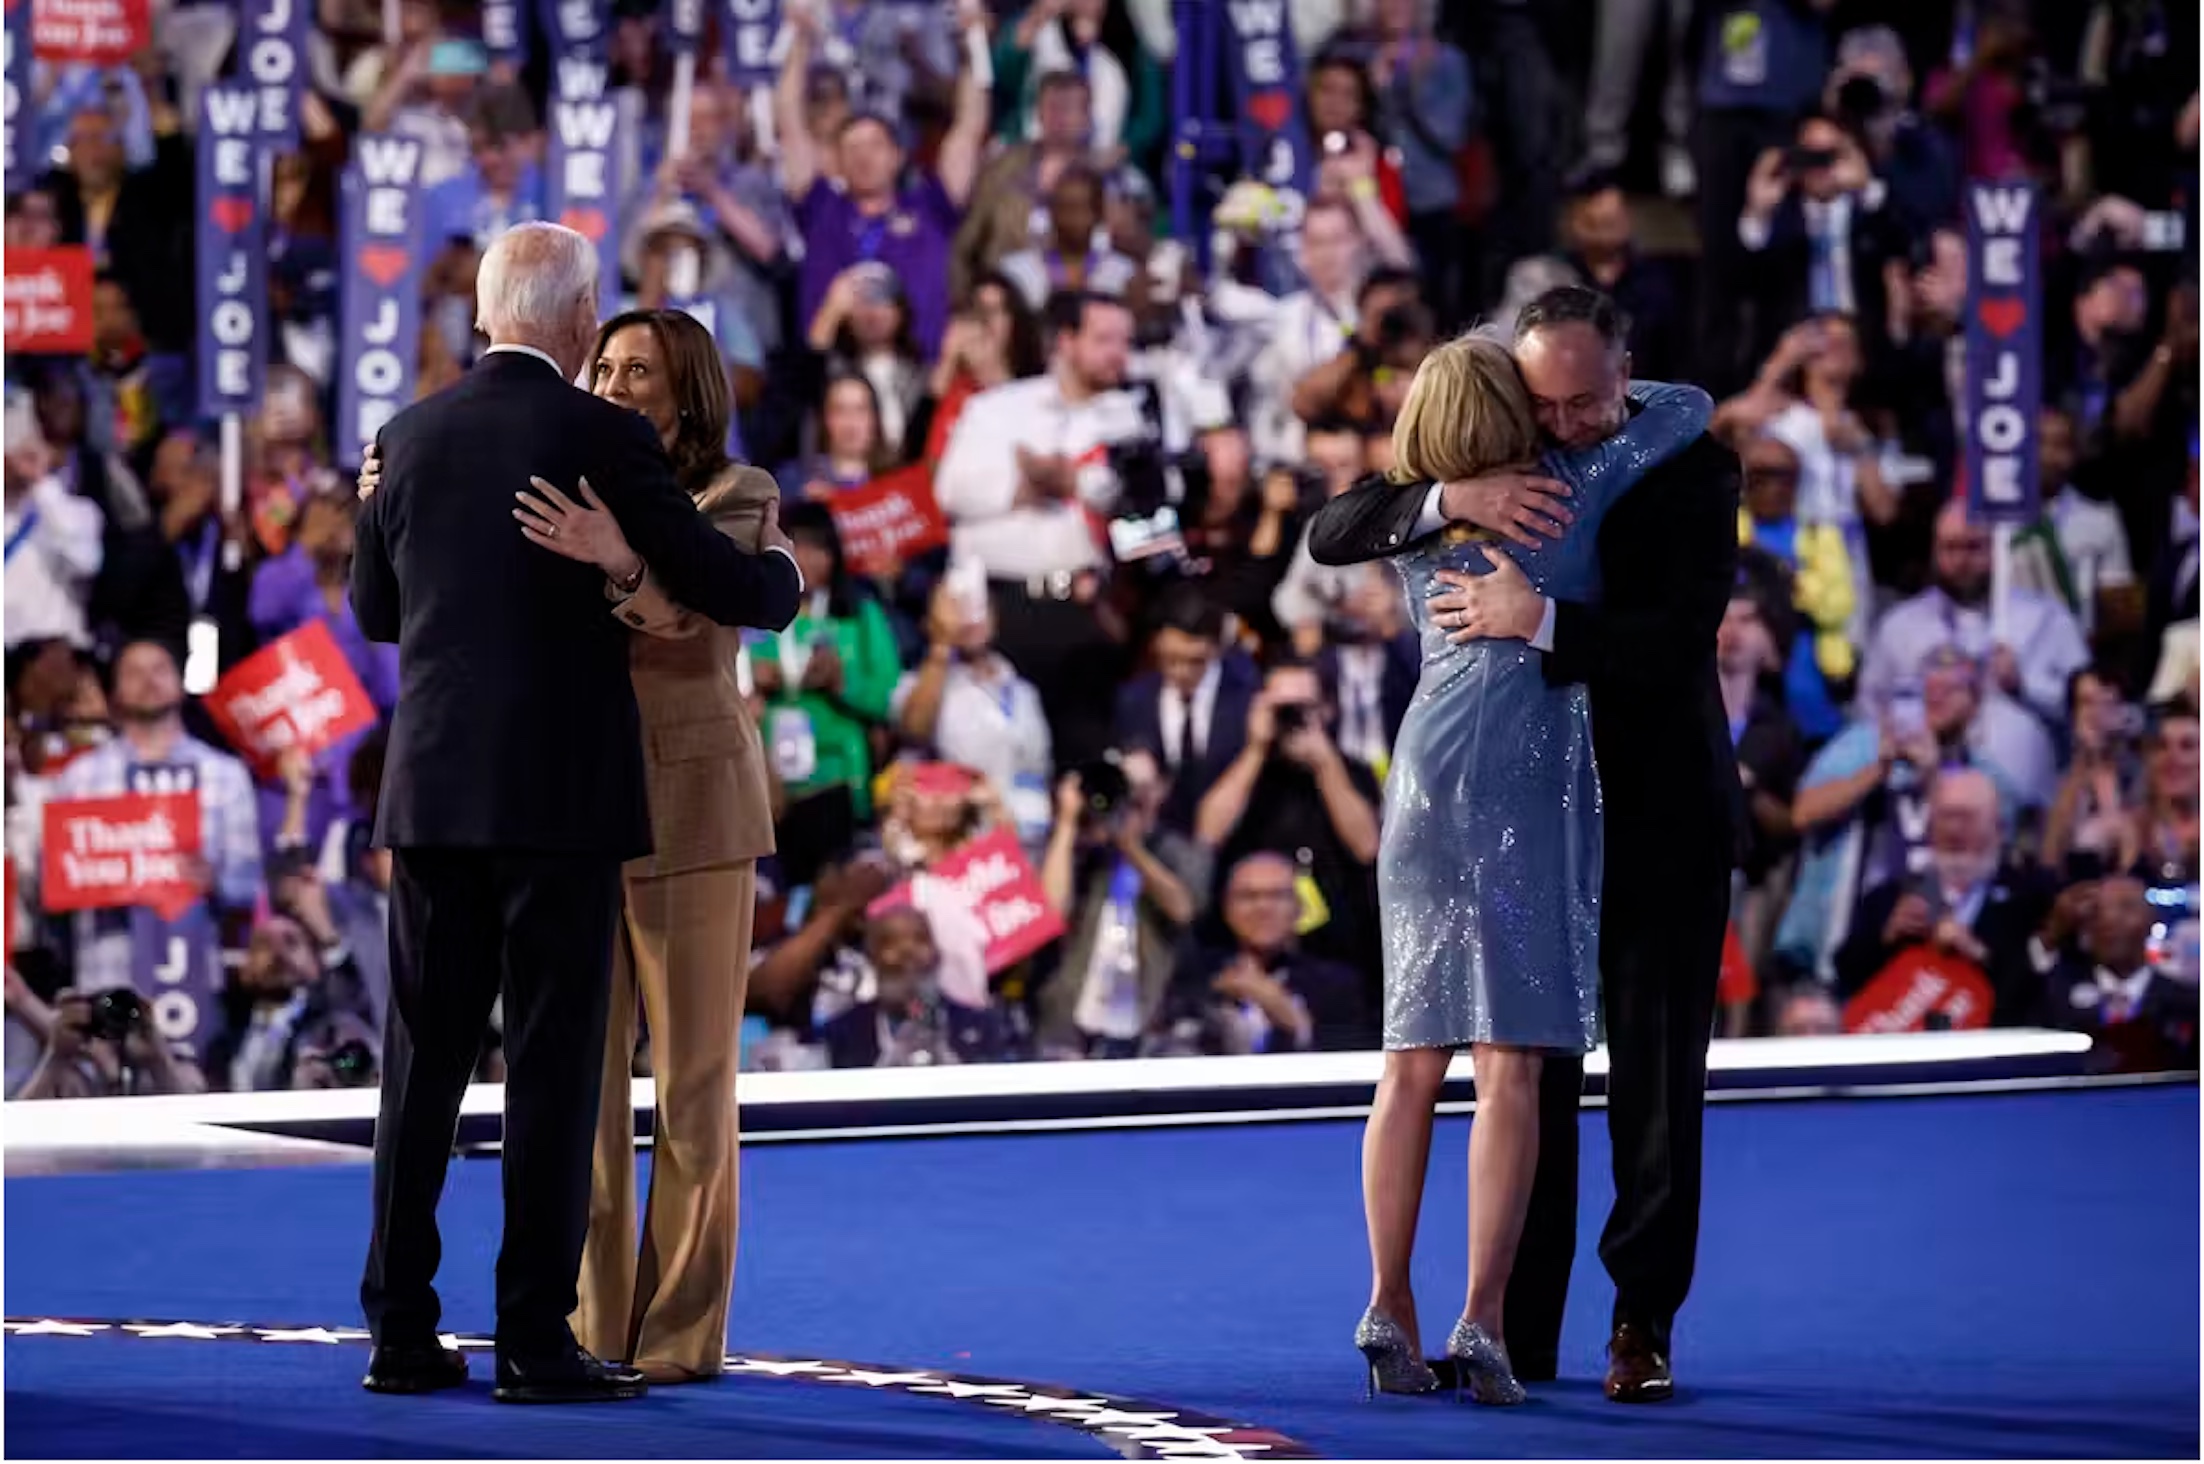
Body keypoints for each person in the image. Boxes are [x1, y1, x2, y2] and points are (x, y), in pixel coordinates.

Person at [348, 223, 801, 1406]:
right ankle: (536, 1343)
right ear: (576, 316)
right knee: (556, 1075)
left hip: (436, 794)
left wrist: (378, 510)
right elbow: (741, 586)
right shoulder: (601, 441)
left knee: (424, 1074)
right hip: (561, 801)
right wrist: (623, 553)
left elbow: (377, 611)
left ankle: (399, 1332)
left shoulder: (406, 435)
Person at [1309, 285, 1743, 1404]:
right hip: (1522, 807)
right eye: (1537, 404)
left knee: (1632, 1081)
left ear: (1621, 367)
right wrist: (1457, 489)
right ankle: (1506, 1324)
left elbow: (1674, 638)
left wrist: (1529, 609)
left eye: (1586, 400)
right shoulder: (1529, 486)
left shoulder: (1687, 467)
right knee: (1517, 1069)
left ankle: (1625, 1324)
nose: (1565, 425)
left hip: (1644, 813)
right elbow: (1333, 525)